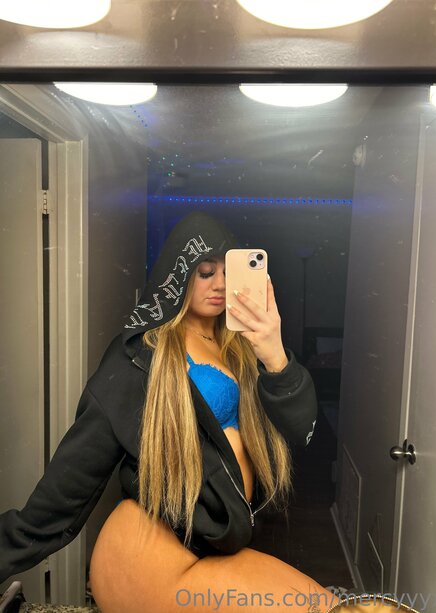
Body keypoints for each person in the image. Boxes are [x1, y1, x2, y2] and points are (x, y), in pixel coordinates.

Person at [0, 211, 338, 613]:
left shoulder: (245, 348)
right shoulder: (142, 358)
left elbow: (301, 431)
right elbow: (71, 481)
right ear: (178, 275)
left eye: (227, 271)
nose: (220, 284)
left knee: (331, 607)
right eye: (205, 272)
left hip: (209, 544)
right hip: (146, 556)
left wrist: (276, 356)